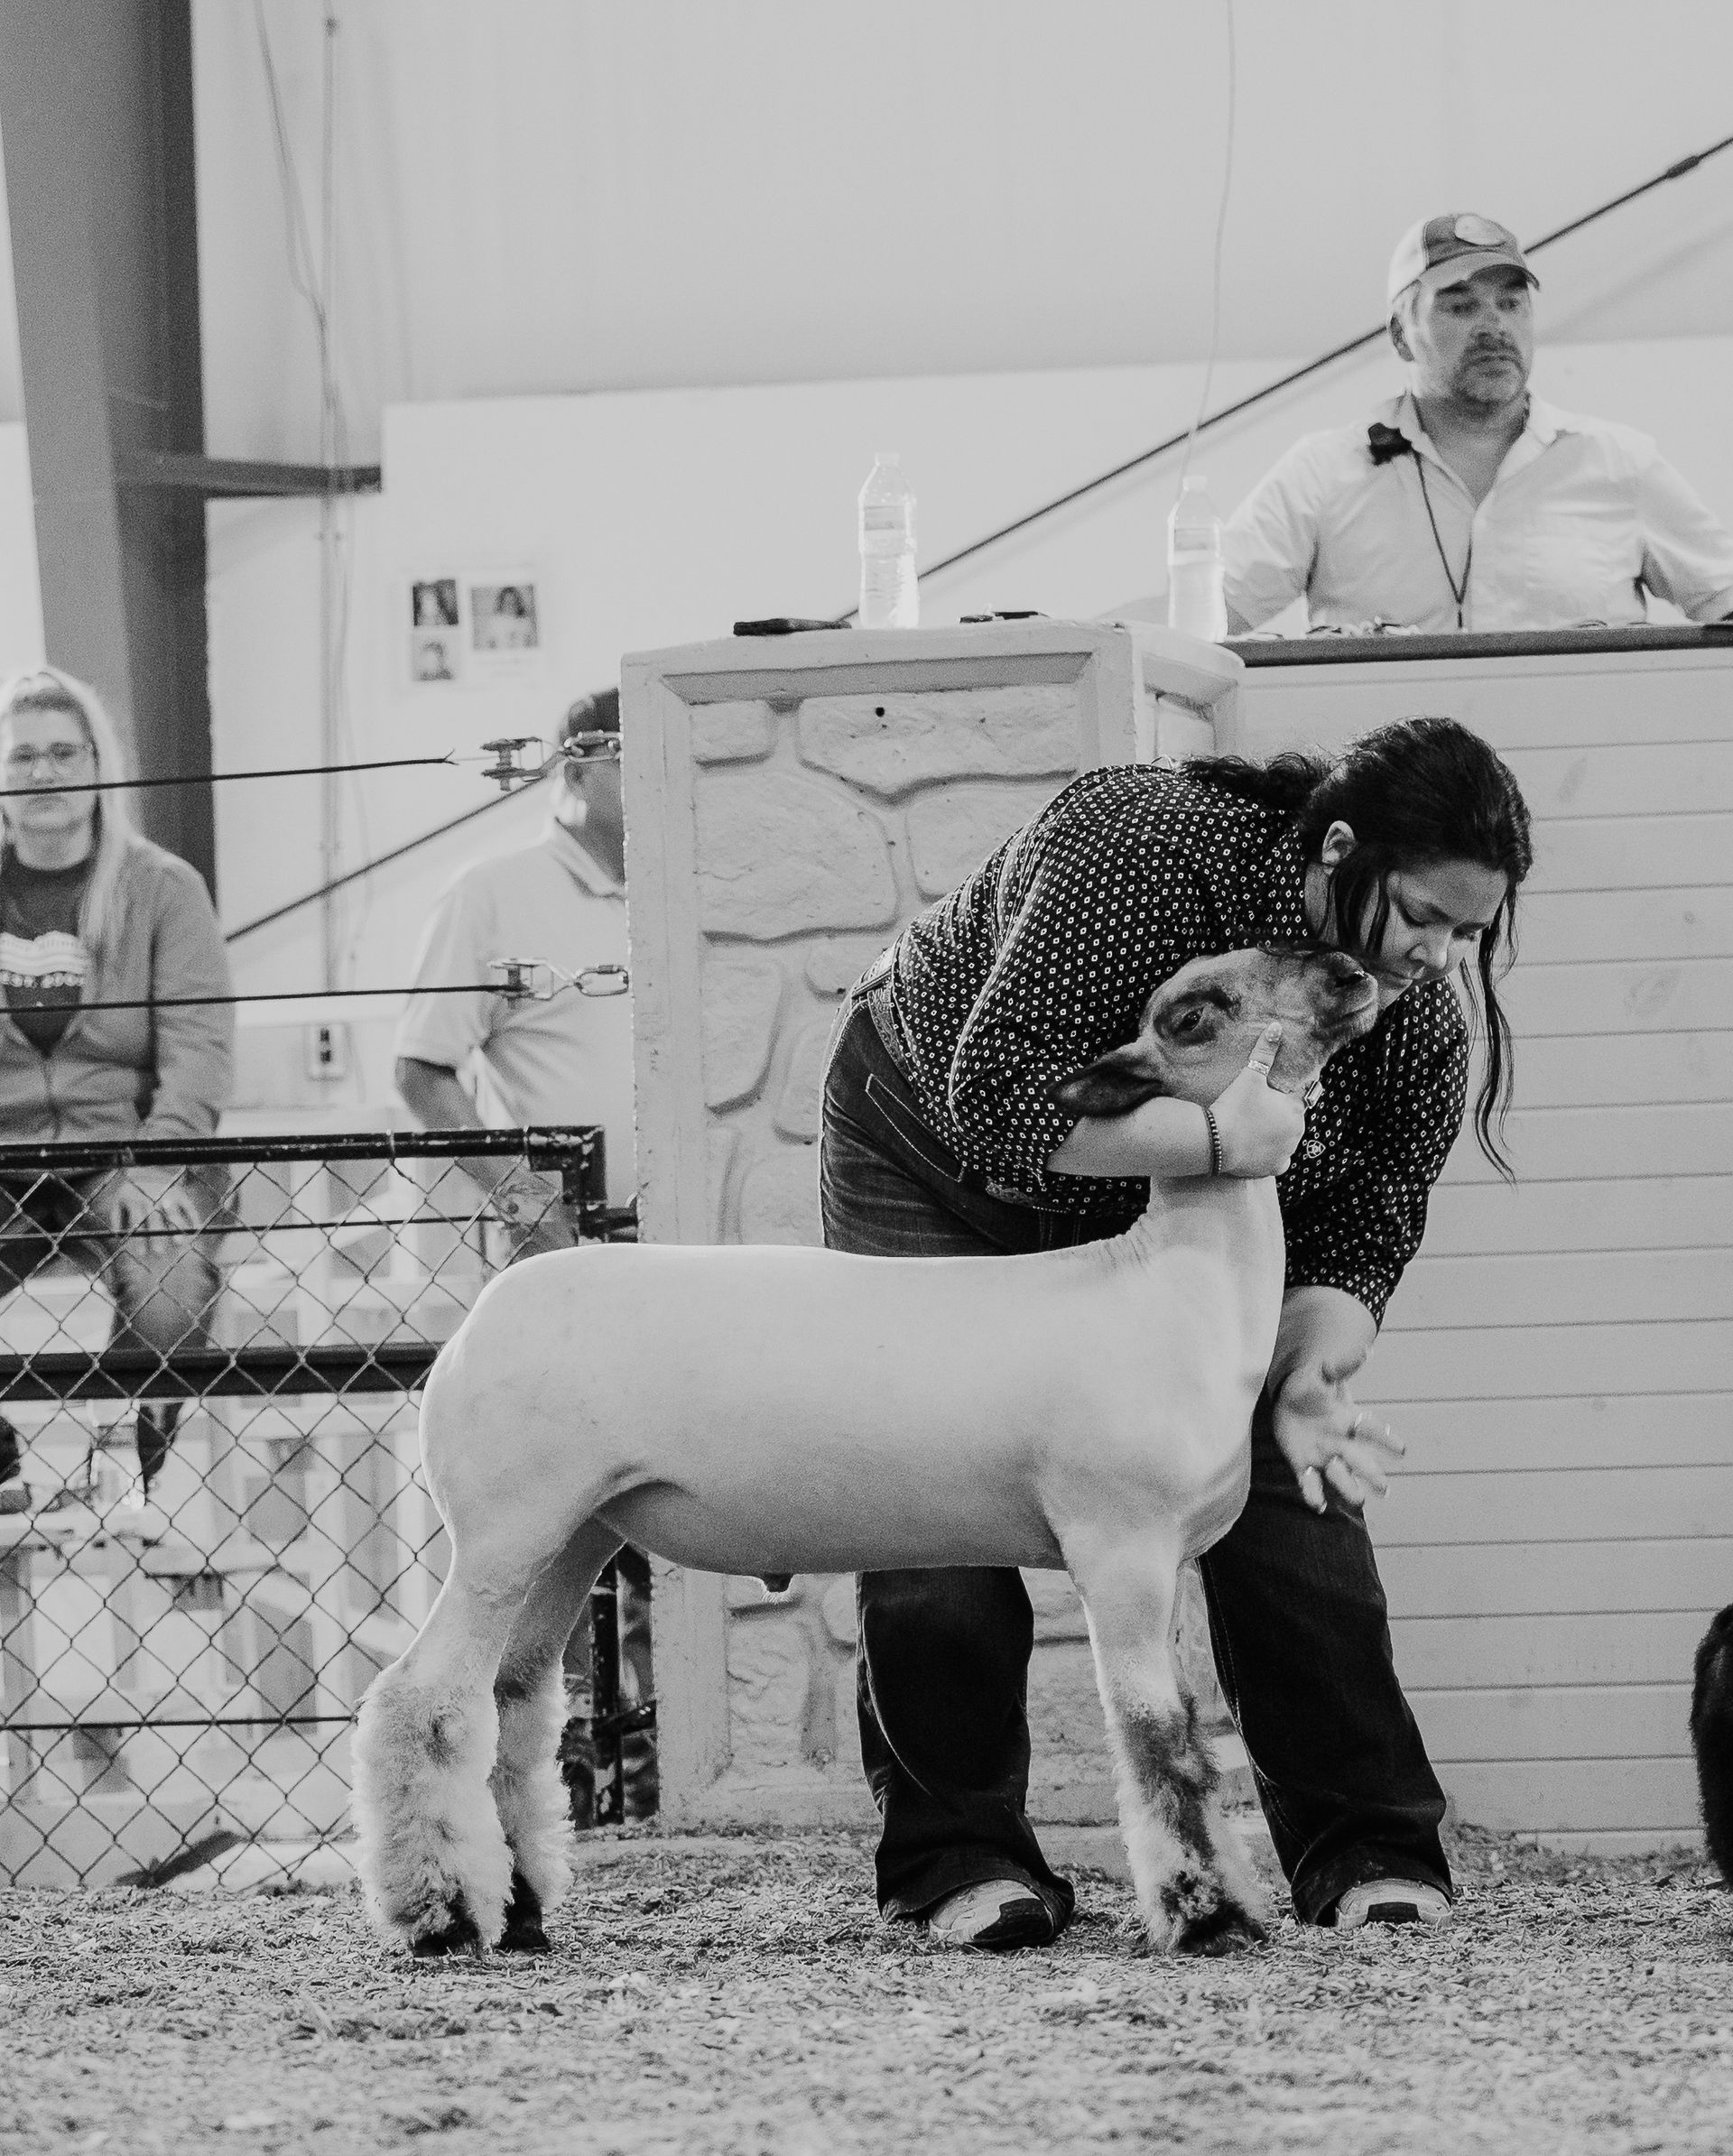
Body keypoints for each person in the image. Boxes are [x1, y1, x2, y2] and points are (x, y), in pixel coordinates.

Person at [821, 715, 1533, 1948]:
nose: (1440, 956)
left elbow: (1363, 1234)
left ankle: (1366, 1845)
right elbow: (999, 1100)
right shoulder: (1144, 850)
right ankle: (959, 1859)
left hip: (1163, 1207)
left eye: (1470, 933)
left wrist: (1306, 1375)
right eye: (1425, 915)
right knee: (933, 1486)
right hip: (937, 1151)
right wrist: (1221, 1140)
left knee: (1282, 1485)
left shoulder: (1416, 1024)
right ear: (1339, 848)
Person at [393, 685, 652, 1816]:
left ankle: (654, 1764)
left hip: (685, 1260)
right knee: (557, 1520)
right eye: (636, 753)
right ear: (578, 767)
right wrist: (526, 1197)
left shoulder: (691, 887)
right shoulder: (492, 894)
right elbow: (422, 1066)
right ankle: (560, 1771)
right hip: (569, 1260)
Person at [1222, 212, 1733, 634]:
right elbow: (1205, 617)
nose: (1494, 327)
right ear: (1401, 336)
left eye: (1511, 304)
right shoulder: (1322, 472)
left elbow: (1725, 599)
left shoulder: (1620, 462)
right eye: (1462, 307)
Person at [0, 667, 234, 1495]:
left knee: (171, 1286)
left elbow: (199, 1047)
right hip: (5, 1160)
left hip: (127, 1152)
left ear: (99, 766)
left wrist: (159, 1161)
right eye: (22, 755)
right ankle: (1, 1470)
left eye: (64, 752)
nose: (43, 772)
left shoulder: (163, 888)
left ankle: (120, 1469)